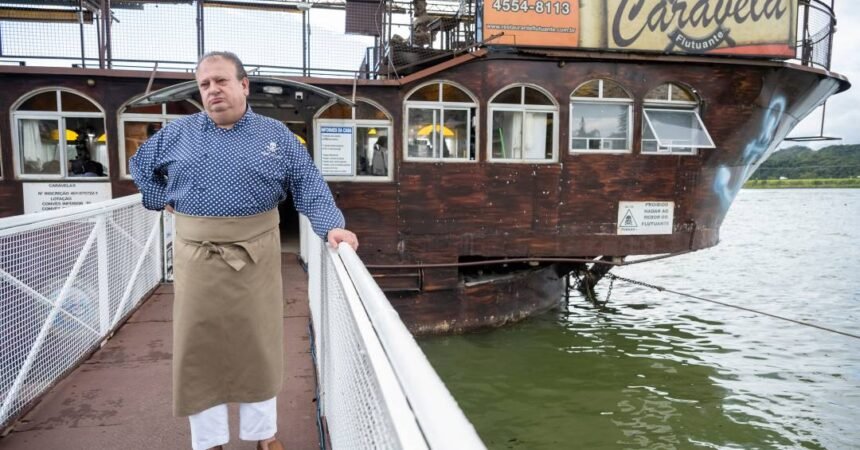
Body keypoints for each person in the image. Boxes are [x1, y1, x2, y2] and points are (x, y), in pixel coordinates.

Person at [129, 51, 358, 450]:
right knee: (199, 347)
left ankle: (263, 436)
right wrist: (161, 197)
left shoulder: (277, 135)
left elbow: (308, 185)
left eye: (221, 80)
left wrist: (331, 226)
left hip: (257, 253)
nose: (212, 90)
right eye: (204, 84)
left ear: (243, 85)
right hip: (195, 255)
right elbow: (140, 165)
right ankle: (209, 441)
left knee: (258, 343)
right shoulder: (177, 133)